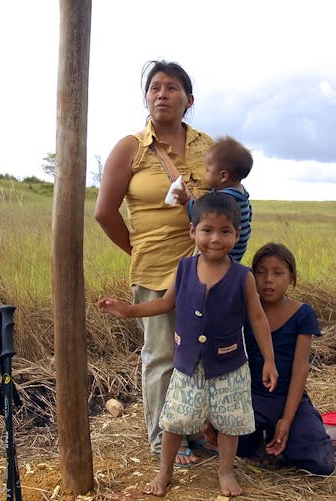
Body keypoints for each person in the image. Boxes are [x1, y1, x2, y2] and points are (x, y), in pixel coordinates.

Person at [98, 192, 279, 497]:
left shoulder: (242, 277)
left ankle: (225, 470)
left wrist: (270, 361)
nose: (215, 239)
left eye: (225, 231)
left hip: (229, 367)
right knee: (174, 420)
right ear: (193, 232)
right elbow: (166, 303)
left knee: (229, 422)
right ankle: (165, 471)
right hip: (187, 365)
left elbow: (259, 320)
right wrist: (128, 310)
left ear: (237, 235)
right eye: (207, 230)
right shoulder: (183, 269)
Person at [94, 60, 212, 466]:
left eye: (173, 87)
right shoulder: (130, 148)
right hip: (155, 268)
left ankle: (194, 431)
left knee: (200, 351)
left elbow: (227, 200)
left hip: (205, 267)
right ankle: (162, 438)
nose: (162, 94)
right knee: (162, 355)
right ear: (147, 97)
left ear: (189, 100)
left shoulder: (206, 146)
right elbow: (104, 213)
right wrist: (138, 249)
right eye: (155, 87)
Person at [237, 242, 336, 475]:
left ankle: (286, 434)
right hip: (252, 399)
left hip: (289, 399)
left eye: (278, 273)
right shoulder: (245, 312)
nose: (268, 279)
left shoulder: (302, 313)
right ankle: (263, 438)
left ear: (291, 278)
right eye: (260, 272)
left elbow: (300, 369)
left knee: (321, 463)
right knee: (234, 448)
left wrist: (287, 420)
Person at [179, 136, 253, 262]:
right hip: (235, 256)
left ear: (223, 176)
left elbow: (201, 214)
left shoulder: (223, 199)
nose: (204, 173)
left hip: (220, 254)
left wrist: (186, 202)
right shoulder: (242, 196)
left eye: (208, 170)